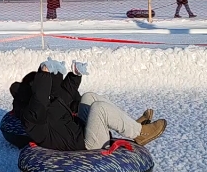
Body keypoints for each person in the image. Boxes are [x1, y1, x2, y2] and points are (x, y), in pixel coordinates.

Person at [10, 59, 166, 150]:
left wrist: (74, 75)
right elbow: (39, 100)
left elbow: (63, 93)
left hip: (81, 131)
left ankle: (132, 126)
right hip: (86, 144)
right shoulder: (32, 117)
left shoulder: (48, 103)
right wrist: (43, 73)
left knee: (88, 97)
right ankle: (140, 133)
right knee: (100, 109)